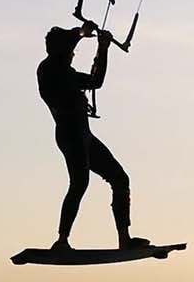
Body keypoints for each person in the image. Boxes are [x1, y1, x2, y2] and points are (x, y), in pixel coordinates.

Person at [37, 21, 147, 251]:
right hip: (70, 136)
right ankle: (61, 240)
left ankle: (124, 239)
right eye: (70, 52)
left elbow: (96, 81)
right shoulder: (48, 71)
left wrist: (102, 48)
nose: (73, 55)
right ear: (61, 51)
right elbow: (63, 48)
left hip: (84, 135)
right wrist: (82, 33)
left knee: (120, 179)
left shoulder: (66, 72)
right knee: (79, 183)